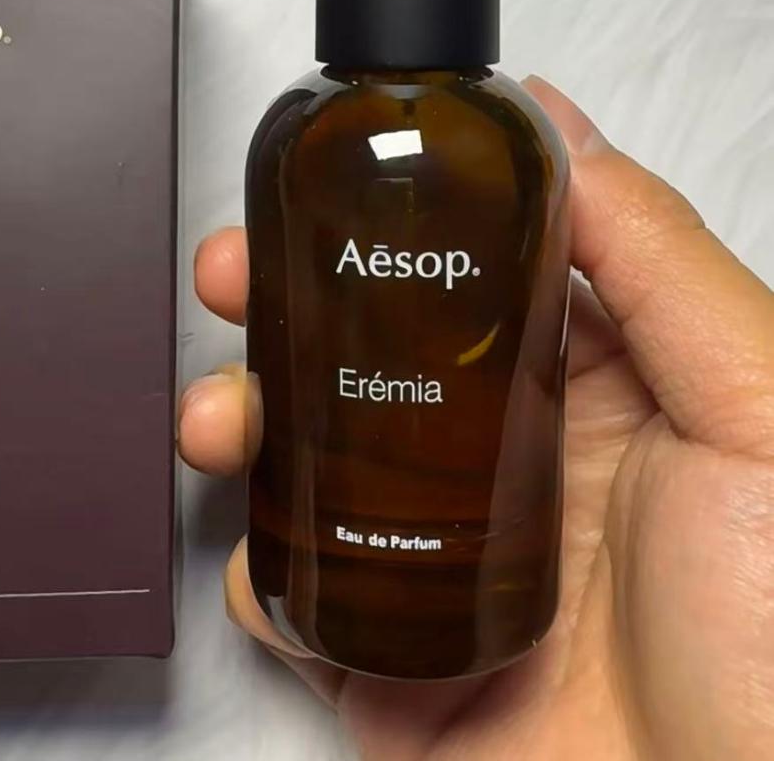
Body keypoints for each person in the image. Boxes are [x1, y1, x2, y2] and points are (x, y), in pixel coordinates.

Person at [178, 77, 774, 760]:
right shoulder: (304, 130)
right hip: (341, 569)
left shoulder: (509, 130)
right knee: (247, 398)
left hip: (518, 587)